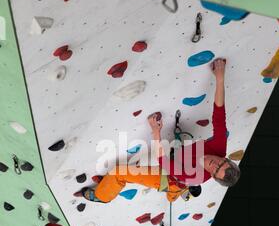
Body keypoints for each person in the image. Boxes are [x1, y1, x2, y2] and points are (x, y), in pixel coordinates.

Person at [79, 58, 240, 203]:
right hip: (179, 165)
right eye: (222, 163)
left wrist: (156, 131)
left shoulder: (194, 175)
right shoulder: (219, 147)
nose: (215, 163)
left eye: (215, 170)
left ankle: (101, 196)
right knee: (175, 190)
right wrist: (220, 78)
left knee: (119, 172)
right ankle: (176, 193)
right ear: (225, 159)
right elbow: (219, 114)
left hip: (166, 176)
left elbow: (162, 160)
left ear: (212, 176)